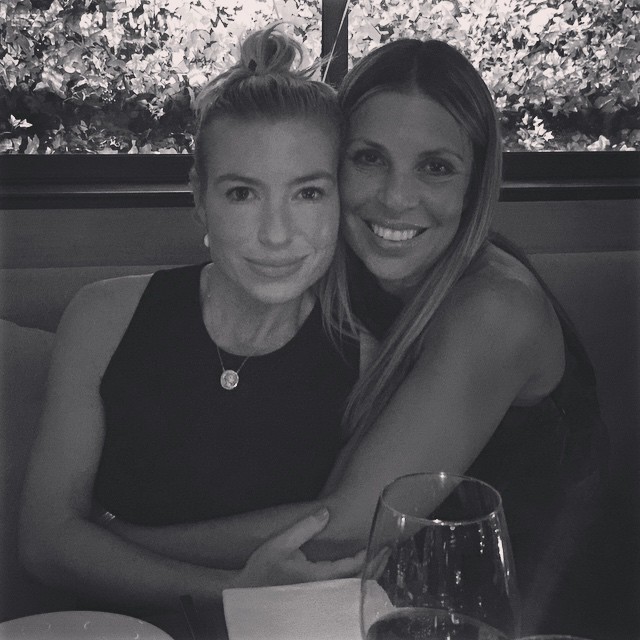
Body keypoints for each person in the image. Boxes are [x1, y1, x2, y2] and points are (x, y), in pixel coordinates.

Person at [101, 38, 608, 635]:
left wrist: (112, 539)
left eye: (436, 167)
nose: (395, 198)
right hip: (383, 606)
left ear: (476, 183)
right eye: (369, 158)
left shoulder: (497, 307)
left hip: (513, 616)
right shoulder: (342, 275)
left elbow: (346, 527)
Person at [19, 25, 365, 616]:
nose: (276, 234)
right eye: (242, 194)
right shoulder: (104, 317)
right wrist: (230, 593)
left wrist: (110, 537)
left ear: (340, 199)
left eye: (308, 193)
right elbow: (44, 543)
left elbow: (350, 533)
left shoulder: (368, 355)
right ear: (199, 197)